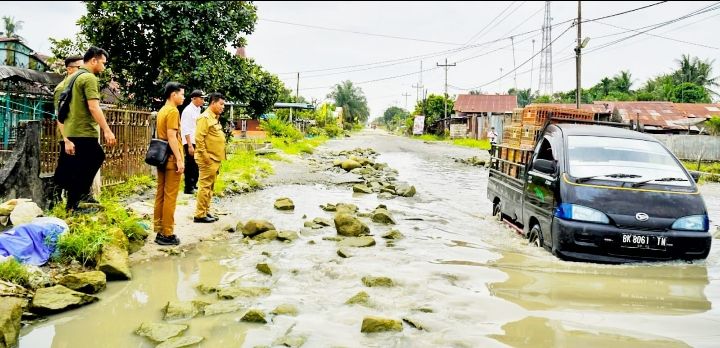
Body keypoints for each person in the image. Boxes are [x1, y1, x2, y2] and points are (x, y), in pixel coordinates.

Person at [54, 47, 116, 213]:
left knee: (80, 166)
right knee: (95, 157)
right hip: (84, 130)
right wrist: (107, 130)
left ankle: (72, 204)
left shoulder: (71, 78)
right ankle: (77, 200)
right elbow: (94, 107)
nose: (104, 67)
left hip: (72, 130)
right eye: (103, 63)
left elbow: (60, 110)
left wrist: (66, 136)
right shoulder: (89, 78)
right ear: (94, 60)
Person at [154, 82, 186, 245]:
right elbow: (172, 136)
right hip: (172, 159)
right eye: (182, 94)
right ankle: (167, 233)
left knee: (161, 193)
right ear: (173, 95)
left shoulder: (162, 110)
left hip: (161, 157)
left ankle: (159, 229)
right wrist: (180, 159)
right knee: (170, 196)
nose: (183, 97)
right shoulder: (173, 111)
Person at [193, 93, 226, 223]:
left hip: (215, 159)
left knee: (210, 187)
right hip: (208, 159)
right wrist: (206, 157)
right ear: (213, 103)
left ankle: (206, 210)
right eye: (221, 104)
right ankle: (200, 214)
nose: (223, 107)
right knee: (205, 186)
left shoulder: (214, 117)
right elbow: (199, 139)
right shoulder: (205, 118)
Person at [180, 90, 205, 194]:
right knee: (190, 163)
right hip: (189, 141)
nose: (203, 100)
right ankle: (188, 187)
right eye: (201, 98)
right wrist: (189, 145)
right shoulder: (188, 110)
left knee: (196, 164)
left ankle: (194, 184)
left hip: (197, 140)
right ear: (194, 98)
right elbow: (185, 128)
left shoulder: (198, 109)